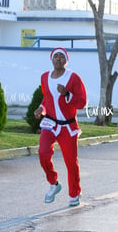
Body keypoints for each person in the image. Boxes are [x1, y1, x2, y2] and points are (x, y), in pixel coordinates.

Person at [34, 47, 87, 207]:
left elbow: (82, 102)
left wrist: (67, 94)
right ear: (51, 59)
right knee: (43, 153)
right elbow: (47, 99)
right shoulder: (45, 77)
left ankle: (74, 193)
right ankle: (54, 183)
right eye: (55, 56)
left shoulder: (73, 78)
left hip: (67, 127)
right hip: (50, 123)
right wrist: (41, 109)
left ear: (66, 60)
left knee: (71, 162)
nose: (58, 59)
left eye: (61, 57)